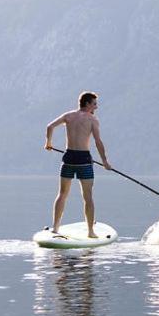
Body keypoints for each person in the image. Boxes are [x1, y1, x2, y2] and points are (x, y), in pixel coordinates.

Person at [45, 91, 111, 238]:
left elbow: (49, 127)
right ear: (87, 104)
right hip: (83, 160)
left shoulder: (68, 116)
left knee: (62, 194)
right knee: (88, 197)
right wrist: (105, 161)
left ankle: (55, 228)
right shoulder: (92, 119)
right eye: (94, 104)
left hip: (68, 158)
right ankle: (90, 232)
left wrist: (48, 143)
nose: (96, 107)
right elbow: (98, 142)